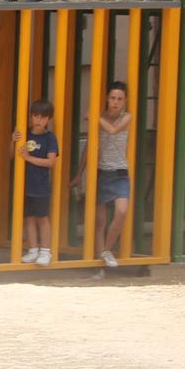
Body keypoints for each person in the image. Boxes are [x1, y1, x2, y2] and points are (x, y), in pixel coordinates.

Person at [73, 81, 132, 269]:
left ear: (125, 101)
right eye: (113, 98)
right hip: (101, 172)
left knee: (122, 211)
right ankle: (101, 261)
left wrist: (96, 118)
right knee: (100, 220)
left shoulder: (126, 117)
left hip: (120, 172)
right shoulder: (100, 118)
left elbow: (113, 130)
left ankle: (107, 249)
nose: (115, 102)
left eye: (119, 99)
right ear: (107, 99)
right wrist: (78, 175)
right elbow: (89, 149)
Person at [18, 100, 60, 267]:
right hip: (25, 185)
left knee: (42, 218)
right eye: (35, 116)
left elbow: (51, 162)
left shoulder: (50, 137)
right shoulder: (24, 133)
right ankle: (33, 249)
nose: (38, 120)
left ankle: (45, 251)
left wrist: (28, 158)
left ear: (48, 119)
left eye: (43, 117)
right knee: (29, 218)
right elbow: (11, 154)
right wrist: (12, 140)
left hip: (41, 185)